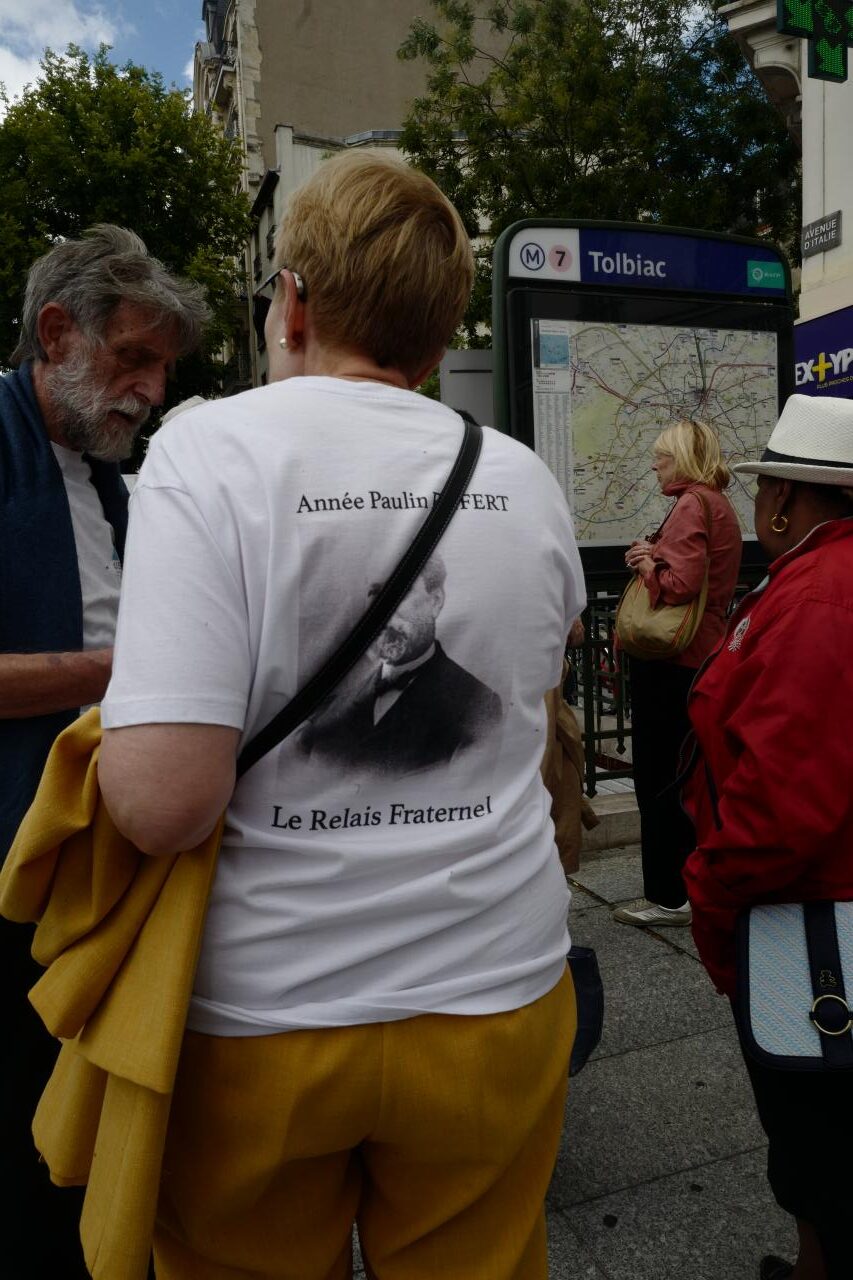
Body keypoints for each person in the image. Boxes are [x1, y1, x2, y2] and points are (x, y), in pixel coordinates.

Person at [95, 149, 586, 1279]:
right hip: (496, 991)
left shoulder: (208, 450)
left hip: (265, 1015)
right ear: (440, 329)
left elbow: (162, 806)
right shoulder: (523, 478)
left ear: (294, 299)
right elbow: (546, 665)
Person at [0, 224, 208, 1279]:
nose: (152, 391)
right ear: (55, 332)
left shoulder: (110, 476)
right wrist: (130, 671)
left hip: (99, 852)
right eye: (133, 358)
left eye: (162, 368)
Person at [683, 394, 853, 1280]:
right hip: (821, 910)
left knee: (819, 1141)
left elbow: (781, 807)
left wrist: (709, 900)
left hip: (812, 929)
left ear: (784, 498)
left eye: (762, 492)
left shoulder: (819, 594)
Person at [612, 418, 741, 928]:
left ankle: (668, 896)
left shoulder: (691, 504)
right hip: (702, 656)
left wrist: (647, 564)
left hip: (672, 661)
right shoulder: (717, 503)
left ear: (683, 460)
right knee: (687, 777)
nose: (654, 466)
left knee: (658, 777)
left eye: (661, 457)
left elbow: (681, 583)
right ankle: (690, 885)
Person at [298, 552, 503, 775]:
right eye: (375, 593)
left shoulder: (477, 706)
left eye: (400, 591)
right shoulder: (329, 712)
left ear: (435, 602)